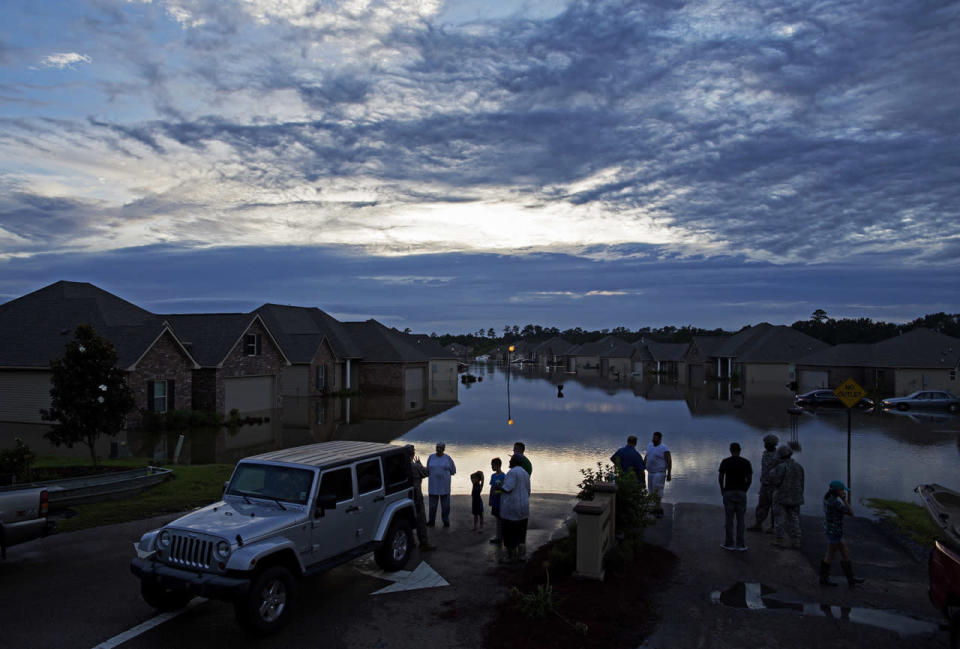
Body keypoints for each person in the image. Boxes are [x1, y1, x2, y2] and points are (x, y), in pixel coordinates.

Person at [821, 480, 864, 587]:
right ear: (837, 491)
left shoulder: (827, 498)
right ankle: (825, 579)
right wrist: (845, 500)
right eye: (842, 490)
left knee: (844, 552)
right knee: (830, 555)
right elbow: (851, 513)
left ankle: (850, 579)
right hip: (834, 531)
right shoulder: (835, 503)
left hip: (832, 530)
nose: (843, 492)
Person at [718, 442, 753, 551]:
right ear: (740, 450)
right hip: (741, 492)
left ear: (730, 450)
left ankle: (729, 544)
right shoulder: (746, 462)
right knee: (741, 519)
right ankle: (740, 544)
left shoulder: (725, 462)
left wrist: (722, 489)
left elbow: (721, 477)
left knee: (729, 519)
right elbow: (749, 479)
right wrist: (745, 490)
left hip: (728, 492)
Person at [768, 445, 804, 549]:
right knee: (794, 519)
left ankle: (780, 540)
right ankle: (796, 541)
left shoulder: (781, 467)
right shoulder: (799, 466)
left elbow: (775, 480)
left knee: (779, 518)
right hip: (795, 497)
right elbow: (802, 482)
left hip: (781, 496)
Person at [499, 454, 531, 562]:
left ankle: (510, 557)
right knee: (521, 533)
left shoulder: (512, 472)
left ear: (514, 462)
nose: (509, 461)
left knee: (509, 533)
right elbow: (528, 491)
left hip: (512, 508)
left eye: (511, 460)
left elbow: (508, 488)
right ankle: (521, 556)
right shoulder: (525, 473)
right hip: (524, 508)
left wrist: (499, 487)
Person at [748, 434, 780, 533]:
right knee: (762, 505)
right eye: (765, 443)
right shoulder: (765, 454)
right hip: (765, 484)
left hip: (774, 486)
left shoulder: (778, 456)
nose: (765, 445)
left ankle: (773, 527)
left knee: (775, 507)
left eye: (766, 443)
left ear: (772, 444)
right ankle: (758, 524)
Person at [407, 446, 435, 551]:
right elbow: (426, 473)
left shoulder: (401, 466)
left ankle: (411, 542)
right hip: (416, 495)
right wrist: (419, 464)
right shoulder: (414, 466)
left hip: (405, 496)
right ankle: (424, 543)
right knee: (421, 519)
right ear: (413, 454)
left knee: (407, 520)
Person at [426, 442, 456, 528]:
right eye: (437, 447)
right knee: (432, 506)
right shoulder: (431, 457)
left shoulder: (447, 458)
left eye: (440, 447)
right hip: (433, 486)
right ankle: (431, 521)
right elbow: (427, 470)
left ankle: (446, 521)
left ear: (443, 449)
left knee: (446, 506)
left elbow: (453, 470)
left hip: (444, 486)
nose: (438, 449)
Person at [644, 431, 672, 518]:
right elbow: (647, 456)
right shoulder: (650, 445)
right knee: (651, 490)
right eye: (653, 437)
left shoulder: (664, 449)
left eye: (655, 438)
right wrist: (643, 465)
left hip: (659, 473)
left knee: (658, 490)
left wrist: (669, 474)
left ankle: (658, 508)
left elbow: (669, 461)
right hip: (650, 472)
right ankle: (654, 507)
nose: (653, 439)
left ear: (660, 439)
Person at [488, 457, 506, 545]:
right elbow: (492, 488)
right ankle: (498, 537)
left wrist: (498, 491)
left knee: (500, 520)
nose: (492, 467)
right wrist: (490, 499)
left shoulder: (503, 476)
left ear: (498, 465)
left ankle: (500, 537)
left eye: (493, 465)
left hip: (500, 501)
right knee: (497, 519)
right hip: (494, 500)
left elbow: (504, 489)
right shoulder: (493, 476)